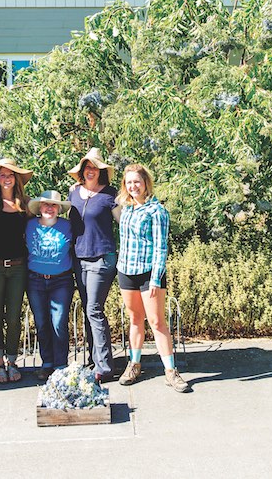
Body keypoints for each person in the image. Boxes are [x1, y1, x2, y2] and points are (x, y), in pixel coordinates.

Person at [116, 163, 191, 393]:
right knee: (135, 319)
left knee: (157, 322)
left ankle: (170, 371)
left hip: (149, 274)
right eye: (129, 182)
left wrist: (156, 279)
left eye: (137, 182)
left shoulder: (157, 211)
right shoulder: (126, 208)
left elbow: (161, 248)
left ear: (145, 183)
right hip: (126, 271)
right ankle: (134, 364)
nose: (133, 186)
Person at [67, 148, 119, 382]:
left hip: (102, 257)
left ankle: (105, 367)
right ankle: (94, 359)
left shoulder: (110, 194)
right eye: (87, 167)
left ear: (101, 171)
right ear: (82, 171)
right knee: (89, 310)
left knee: (94, 309)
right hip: (79, 258)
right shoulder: (73, 193)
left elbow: (123, 221)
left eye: (95, 167)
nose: (91, 171)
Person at [0, 158, 32, 384]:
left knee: (13, 317)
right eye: (2, 174)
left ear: (16, 179)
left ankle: (12, 360)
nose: (7, 178)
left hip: (18, 266)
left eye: (10, 175)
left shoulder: (26, 204)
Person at [24, 190, 74, 382]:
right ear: (39, 207)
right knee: (41, 322)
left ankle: (60, 365)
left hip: (61, 280)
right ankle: (47, 363)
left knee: (58, 322)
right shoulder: (29, 225)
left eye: (54, 205)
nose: (50, 208)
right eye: (46, 204)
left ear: (59, 209)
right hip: (35, 280)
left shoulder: (67, 226)